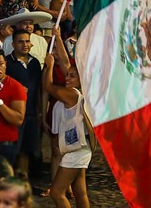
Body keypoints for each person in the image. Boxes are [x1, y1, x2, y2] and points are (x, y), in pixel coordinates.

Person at [43, 53, 91, 208]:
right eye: (67, 75)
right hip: (77, 148)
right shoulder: (68, 96)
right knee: (79, 191)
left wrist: (50, 66)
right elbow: (64, 60)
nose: (67, 78)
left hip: (76, 150)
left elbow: (48, 87)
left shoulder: (73, 94)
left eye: (72, 76)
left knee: (56, 192)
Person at [6, 29, 42, 178]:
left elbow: (39, 88)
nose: (25, 44)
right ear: (13, 44)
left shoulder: (35, 63)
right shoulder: (6, 63)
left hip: (32, 113)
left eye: (27, 41)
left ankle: (23, 181)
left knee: (28, 149)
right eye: (21, 41)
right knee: (13, 151)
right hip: (13, 115)